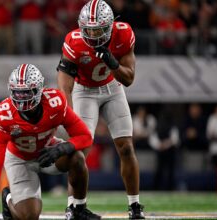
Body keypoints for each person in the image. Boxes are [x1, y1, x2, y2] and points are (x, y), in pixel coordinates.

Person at [56, 0, 145, 219]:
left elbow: (129, 78)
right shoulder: (74, 41)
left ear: (110, 25)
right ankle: (74, 205)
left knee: (126, 147)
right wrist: (68, 112)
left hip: (112, 88)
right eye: (89, 29)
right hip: (84, 91)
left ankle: (134, 205)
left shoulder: (123, 34)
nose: (93, 34)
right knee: (79, 150)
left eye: (98, 29)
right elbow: (65, 81)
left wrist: (112, 63)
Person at [0, 64, 101, 220]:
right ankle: (8, 198)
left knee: (77, 158)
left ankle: (78, 209)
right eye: (17, 93)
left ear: (39, 89)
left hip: (48, 151)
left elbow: (84, 136)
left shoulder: (55, 103)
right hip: (19, 160)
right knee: (30, 215)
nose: (22, 98)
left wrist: (61, 149)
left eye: (26, 92)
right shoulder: (4, 114)